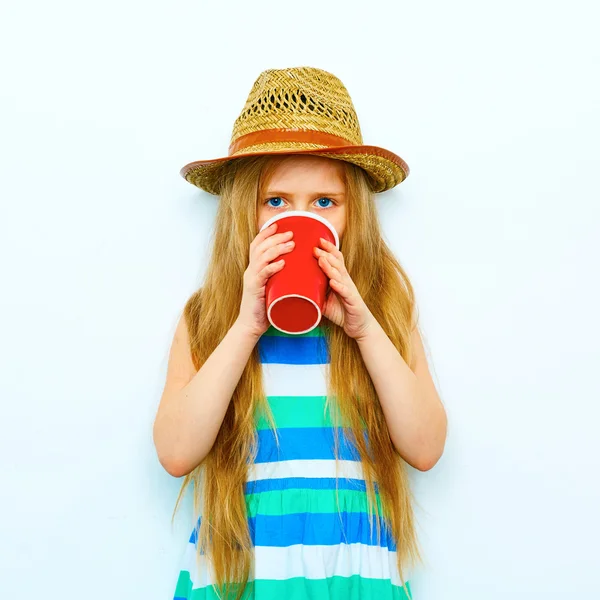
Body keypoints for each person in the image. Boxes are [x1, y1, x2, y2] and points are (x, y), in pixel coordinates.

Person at [153, 66, 447, 600]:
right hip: (248, 566)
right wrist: (246, 325)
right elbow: (175, 453)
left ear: (353, 216)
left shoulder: (383, 311)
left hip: (353, 568)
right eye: (276, 201)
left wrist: (365, 330)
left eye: (324, 203)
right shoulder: (210, 318)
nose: (299, 217)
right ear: (245, 214)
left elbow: (425, 447)